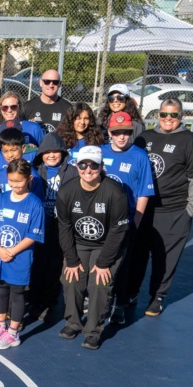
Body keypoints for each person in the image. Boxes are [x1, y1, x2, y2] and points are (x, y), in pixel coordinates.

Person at [128, 98, 193, 317]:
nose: (168, 119)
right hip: (144, 210)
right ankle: (131, 292)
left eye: (174, 115)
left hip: (173, 211)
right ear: (158, 115)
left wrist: (191, 209)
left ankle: (158, 297)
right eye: (164, 115)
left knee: (165, 259)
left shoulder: (190, 140)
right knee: (137, 255)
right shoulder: (145, 138)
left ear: (181, 116)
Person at [56, 146, 129, 349]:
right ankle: (73, 322)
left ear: (101, 166)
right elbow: (64, 227)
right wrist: (71, 260)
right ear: (77, 166)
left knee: (99, 283)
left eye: (93, 165)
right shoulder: (67, 191)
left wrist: (104, 262)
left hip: (105, 245)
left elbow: (118, 230)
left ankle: (93, 330)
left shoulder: (114, 192)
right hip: (79, 243)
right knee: (72, 279)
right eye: (83, 165)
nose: (88, 170)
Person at [0, 158, 45, 350]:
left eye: (19, 181)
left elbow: (33, 235)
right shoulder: (1, 198)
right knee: (1, 291)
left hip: (19, 258)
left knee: (17, 295)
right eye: (11, 181)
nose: (15, 185)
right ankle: (0, 326)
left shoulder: (35, 204)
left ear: (29, 179)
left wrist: (11, 251)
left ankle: (13, 332)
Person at [101, 111, 154, 324]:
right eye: (117, 132)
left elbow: (143, 192)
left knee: (122, 266)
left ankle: (119, 304)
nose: (121, 136)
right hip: (102, 220)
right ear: (109, 133)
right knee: (100, 262)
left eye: (125, 132)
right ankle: (96, 301)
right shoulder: (100, 152)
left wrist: (136, 222)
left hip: (126, 221)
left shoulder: (139, 156)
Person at [29, 133, 79, 318]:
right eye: (46, 152)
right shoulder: (36, 171)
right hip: (40, 224)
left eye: (55, 151)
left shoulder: (72, 171)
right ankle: (35, 300)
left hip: (62, 226)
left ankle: (50, 302)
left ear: (63, 153)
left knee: (55, 265)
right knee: (37, 264)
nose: (51, 155)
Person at [21, 69, 72, 133]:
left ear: (60, 84)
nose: (51, 85)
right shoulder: (28, 107)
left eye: (55, 82)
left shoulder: (68, 108)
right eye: (47, 81)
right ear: (41, 83)